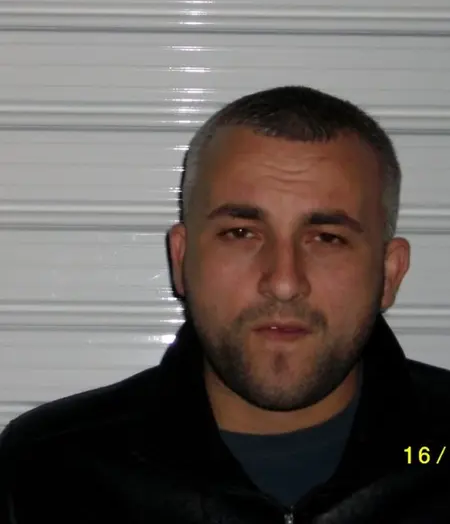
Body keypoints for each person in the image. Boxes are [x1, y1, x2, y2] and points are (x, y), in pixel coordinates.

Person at [0, 85, 449, 524]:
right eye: (241, 233)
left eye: (327, 239)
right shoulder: (48, 471)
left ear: (390, 272)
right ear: (182, 259)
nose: (284, 283)